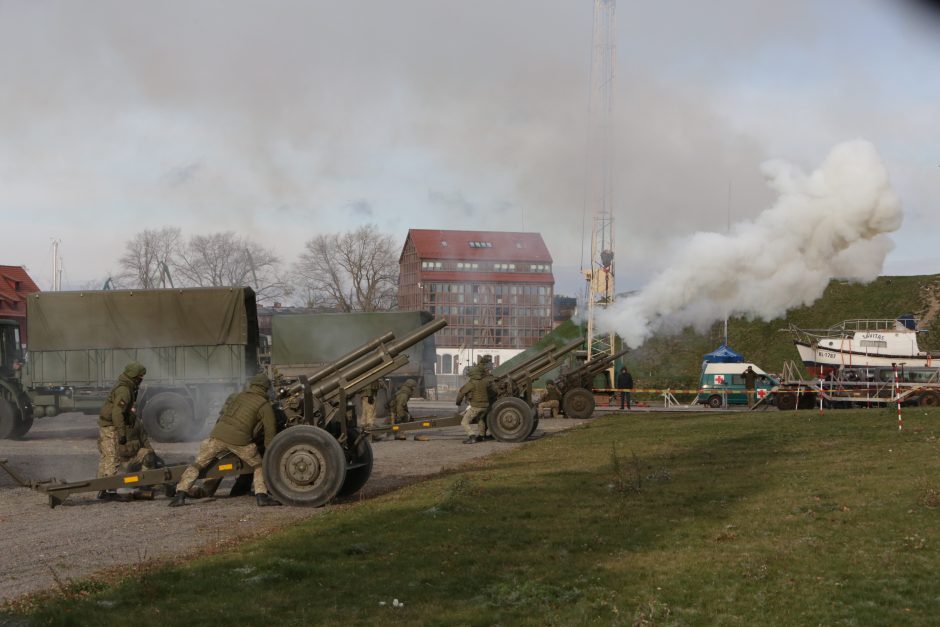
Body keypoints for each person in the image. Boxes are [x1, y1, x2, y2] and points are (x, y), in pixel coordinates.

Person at [169, 374, 281, 507]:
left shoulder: (238, 396)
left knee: (198, 464)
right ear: (265, 388)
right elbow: (270, 431)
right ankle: (262, 497)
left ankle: (180, 495)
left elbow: (223, 414)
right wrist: (270, 451)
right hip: (240, 441)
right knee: (259, 465)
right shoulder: (264, 405)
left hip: (217, 435)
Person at [97, 362, 147, 499]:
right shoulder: (125, 390)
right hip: (111, 426)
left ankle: (101, 487)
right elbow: (117, 413)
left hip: (107, 425)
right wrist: (122, 433)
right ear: (134, 376)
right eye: (140, 377)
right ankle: (109, 491)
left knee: (106, 457)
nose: (142, 379)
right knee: (112, 457)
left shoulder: (126, 387)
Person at [456, 365, 493, 444]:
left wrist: (458, 403)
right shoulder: (484, 382)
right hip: (485, 407)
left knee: (464, 422)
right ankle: (482, 436)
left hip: (476, 407)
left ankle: (472, 437)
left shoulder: (471, 384)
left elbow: (461, 394)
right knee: (480, 419)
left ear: (472, 374)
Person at [359, 378, 388, 442]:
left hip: (365, 396)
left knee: (364, 415)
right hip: (369, 395)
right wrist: (370, 395)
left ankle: (364, 435)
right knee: (371, 415)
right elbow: (370, 382)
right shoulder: (372, 374)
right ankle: (370, 436)